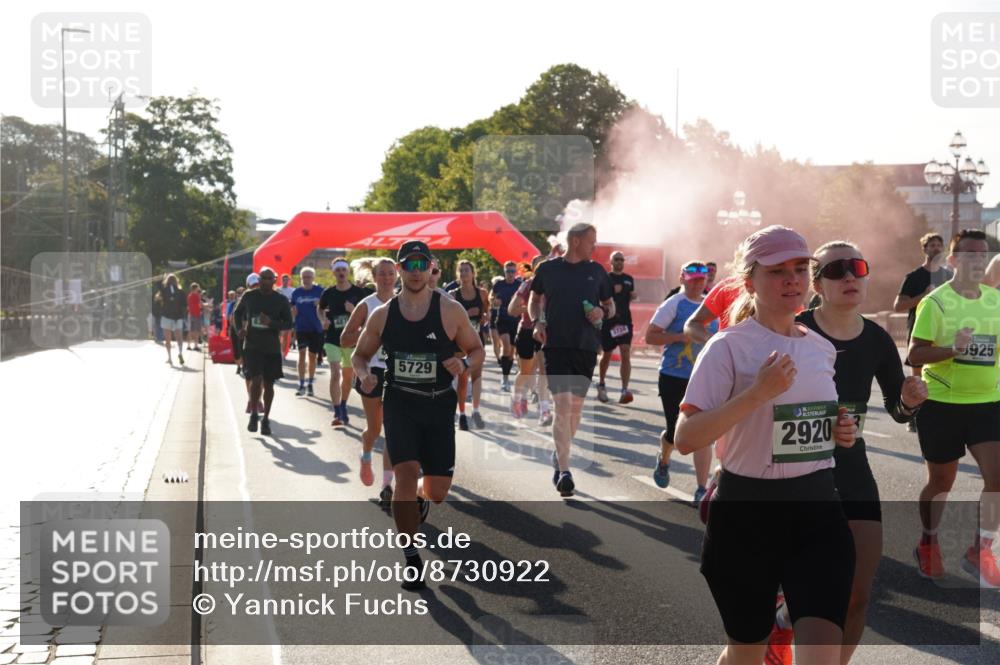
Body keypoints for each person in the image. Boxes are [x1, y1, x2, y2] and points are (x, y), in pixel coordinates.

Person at [674, 225, 859, 665]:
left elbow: (810, 421)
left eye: (801, 269)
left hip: (818, 508)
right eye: (777, 271)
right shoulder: (727, 348)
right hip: (747, 515)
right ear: (749, 281)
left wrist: (838, 429)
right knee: (746, 653)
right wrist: (757, 393)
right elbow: (686, 438)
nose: (792, 279)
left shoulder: (820, 349)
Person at [763, 241, 928, 664]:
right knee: (807, 586)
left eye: (856, 267)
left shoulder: (875, 339)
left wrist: (909, 399)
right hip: (796, 474)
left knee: (857, 593)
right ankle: (783, 619)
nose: (850, 276)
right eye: (836, 270)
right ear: (817, 284)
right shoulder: (792, 329)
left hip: (851, 469)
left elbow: (895, 408)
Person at [352, 241, 484, 590]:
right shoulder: (384, 314)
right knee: (406, 475)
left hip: (439, 404)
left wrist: (466, 364)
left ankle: (422, 503)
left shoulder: (449, 310)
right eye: (408, 264)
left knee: (437, 491)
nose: (414, 271)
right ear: (399, 269)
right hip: (400, 403)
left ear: (430, 268)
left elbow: (477, 350)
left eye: (420, 264)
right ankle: (411, 558)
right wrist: (364, 374)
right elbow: (360, 354)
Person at [908, 229, 1000, 587]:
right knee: (941, 482)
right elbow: (914, 354)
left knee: (998, 477)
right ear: (952, 261)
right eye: (968, 255)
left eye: (982, 255)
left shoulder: (995, 301)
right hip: (942, 405)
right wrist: (952, 350)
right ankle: (928, 543)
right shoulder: (936, 302)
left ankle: (981, 549)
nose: (976, 260)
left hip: (987, 405)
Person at [529, 222, 614, 497]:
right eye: (592, 241)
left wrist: (602, 312)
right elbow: (534, 298)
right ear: (576, 241)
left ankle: (559, 452)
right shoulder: (548, 269)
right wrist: (537, 321)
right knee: (562, 404)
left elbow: (610, 306)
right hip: (556, 345)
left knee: (575, 408)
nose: (595, 246)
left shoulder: (597, 271)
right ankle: (564, 471)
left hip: (586, 347)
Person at [647, 261, 717, 501]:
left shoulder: (713, 303)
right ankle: (664, 459)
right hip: (673, 376)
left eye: (703, 279)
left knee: (703, 432)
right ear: (683, 279)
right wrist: (680, 336)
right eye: (693, 278)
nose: (699, 283)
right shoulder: (674, 304)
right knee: (675, 432)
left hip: (704, 377)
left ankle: (701, 489)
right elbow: (650, 336)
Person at [342, 258, 398, 500]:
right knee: (374, 430)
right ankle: (365, 455)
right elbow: (345, 339)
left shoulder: (405, 303)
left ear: (396, 276)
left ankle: (387, 486)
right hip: (372, 373)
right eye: (382, 274)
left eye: (390, 273)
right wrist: (369, 334)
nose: (386, 278)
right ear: (374, 278)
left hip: (398, 373)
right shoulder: (367, 305)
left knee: (394, 430)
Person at [894, 233, 953, 431]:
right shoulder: (914, 277)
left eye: (939, 245)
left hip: (944, 333)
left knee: (943, 374)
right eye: (932, 245)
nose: (936, 248)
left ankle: (942, 414)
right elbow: (898, 306)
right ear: (925, 249)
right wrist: (923, 296)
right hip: (919, 332)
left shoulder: (948, 277)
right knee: (918, 377)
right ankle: (914, 414)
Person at [233, 267, 293, 436]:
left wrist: (271, 323)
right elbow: (237, 314)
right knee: (256, 379)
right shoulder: (249, 296)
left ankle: (266, 418)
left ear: (274, 280)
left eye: (269, 278)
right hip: (252, 345)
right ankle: (253, 413)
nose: (266, 281)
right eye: (263, 278)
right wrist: (239, 330)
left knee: (269, 384)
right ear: (258, 280)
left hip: (271, 348)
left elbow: (288, 323)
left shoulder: (280, 300)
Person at [319, 258, 367, 427]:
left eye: (343, 270)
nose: (341, 272)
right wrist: (323, 319)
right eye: (338, 270)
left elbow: (366, 316)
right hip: (332, 339)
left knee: (347, 378)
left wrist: (352, 310)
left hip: (351, 341)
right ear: (334, 272)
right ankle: (337, 410)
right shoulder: (328, 292)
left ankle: (344, 405)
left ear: (348, 272)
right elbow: (320, 307)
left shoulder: (358, 293)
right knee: (334, 373)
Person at [509, 255, 552, 426]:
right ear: (533, 269)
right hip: (526, 330)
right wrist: (530, 310)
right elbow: (512, 310)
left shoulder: (553, 285)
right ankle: (517, 398)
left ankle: (544, 410)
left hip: (544, 332)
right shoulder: (527, 284)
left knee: (544, 371)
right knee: (526, 372)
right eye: (539, 265)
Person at [447, 260, 490, 430]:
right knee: (463, 379)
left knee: (477, 376)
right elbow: (448, 318)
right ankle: (462, 414)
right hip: (458, 342)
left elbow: (486, 310)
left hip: (476, 340)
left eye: (467, 270)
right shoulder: (453, 295)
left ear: (473, 274)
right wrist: (464, 315)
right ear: (458, 275)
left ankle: (476, 411)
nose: (464, 274)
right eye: (461, 271)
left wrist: (485, 316)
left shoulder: (482, 294)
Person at [597, 251, 638, 405]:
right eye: (617, 259)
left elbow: (632, 294)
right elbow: (600, 297)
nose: (620, 262)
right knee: (606, 355)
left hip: (625, 321)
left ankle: (624, 389)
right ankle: (601, 384)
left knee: (625, 352)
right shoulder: (606, 278)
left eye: (622, 259)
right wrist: (614, 292)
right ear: (611, 261)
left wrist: (633, 295)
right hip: (609, 321)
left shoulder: (629, 279)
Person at [290, 267, 325, 396]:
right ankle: (301, 384)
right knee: (301, 354)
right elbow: (292, 308)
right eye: (304, 277)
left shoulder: (320, 291)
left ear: (313, 278)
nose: (306, 279)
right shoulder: (296, 292)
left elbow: (327, 307)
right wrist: (293, 313)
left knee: (312, 357)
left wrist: (321, 304)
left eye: (309, 277)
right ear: (301, 278)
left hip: (316, 328)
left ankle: (310, 383)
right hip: (301, 328)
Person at [491, 261, 522, 392]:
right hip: (502, 319)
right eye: (508, 271)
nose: (510, 274)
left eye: (512, 272)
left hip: (516, 320)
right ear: (504, 272)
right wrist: (495, 302)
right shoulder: (499, 285)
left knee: (511, 353)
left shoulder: (519, 285)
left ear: (516, 273)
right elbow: (492, 300)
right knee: (506, 347)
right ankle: (504, 379)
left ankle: (506, 376)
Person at [156, 273, 187, 366]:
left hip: (166, 317)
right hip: (178, 317)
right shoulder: (181, 291)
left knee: (167, 339)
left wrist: (159, 278)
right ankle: (180, 353)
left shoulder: (164, 290)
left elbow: (159, 289)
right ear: (176, 281)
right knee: (179, 337)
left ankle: (169, 357)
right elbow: (185, 304)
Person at [278, 273, 296, 352]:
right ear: (281, 280)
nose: (285, 281)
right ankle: (278, 351)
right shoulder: (278, 290)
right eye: (283, 280)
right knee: (278, 334)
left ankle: (283, 352)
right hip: (278, 315)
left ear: (289, 281)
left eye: (286, 280)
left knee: (285, 335)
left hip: (288, 315)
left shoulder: (292, 290)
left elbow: (294, 303)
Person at [186, 283, 203, 351]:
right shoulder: (196, 296)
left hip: (190, 314)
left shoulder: (189, 295)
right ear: (195, 288)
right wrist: (208, 306)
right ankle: (195, 345)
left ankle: (189, 345)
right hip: (196, 315)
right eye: (197, 288)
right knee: (196, 331)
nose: (198, 289)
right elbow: (200, 305)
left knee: (190, 330)